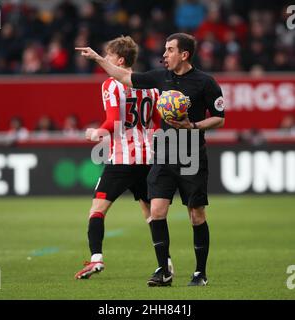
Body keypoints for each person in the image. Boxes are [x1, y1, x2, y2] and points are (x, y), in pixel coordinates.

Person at [76, 32, 225, 287]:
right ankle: (163, 270)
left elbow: (220, 118)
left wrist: (194, 125)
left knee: (196, 215)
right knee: (156, 211)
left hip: (190, 153)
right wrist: (99, 59)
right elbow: (123, 75)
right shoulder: (159, 78)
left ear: (184, 54)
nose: (164, 54)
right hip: (162, 153)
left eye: (169, 50)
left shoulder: (205, 82)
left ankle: (200, 273)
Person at [74, 36, 174, 279]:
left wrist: (97, 131)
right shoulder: (151, 86)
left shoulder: (111, 84)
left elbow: (113, 121)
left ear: (119, 60)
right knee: (151, 213)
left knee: (97, 210)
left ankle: (96, 259)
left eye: (108, 57)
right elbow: (157, 124)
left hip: (121, 159)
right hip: (148, 158)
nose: (106, 60)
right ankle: (166, 263)